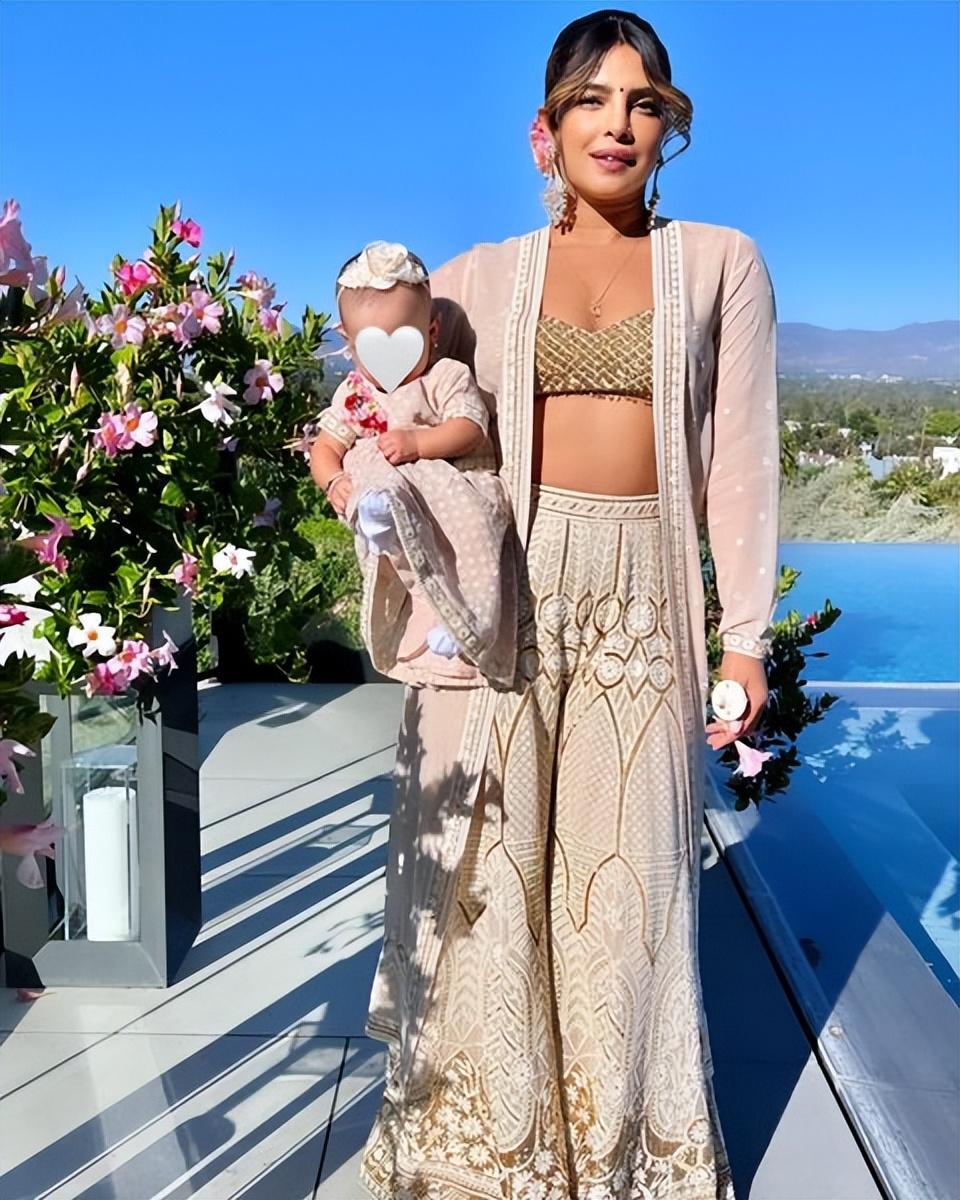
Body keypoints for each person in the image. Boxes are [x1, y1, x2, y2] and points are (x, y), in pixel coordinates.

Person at [360, 9, 779, 1199]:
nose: (619, 123)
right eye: (593, 99)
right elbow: (394, 413)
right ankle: (493, 1160)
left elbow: (742, 461)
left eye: (644, 103)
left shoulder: (723, 262)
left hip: (643, 606)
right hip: (515, 602)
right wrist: (360, 466)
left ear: (667, 127)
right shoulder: (473, 279)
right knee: (496, 890)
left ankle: (625, 1159)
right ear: (543, 129)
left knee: (628, 900)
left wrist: (744, 640)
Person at [309, 241, 518, 690]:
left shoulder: (444, 376)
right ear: (349, 343)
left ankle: (470, 625)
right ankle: (383, 519)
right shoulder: (356, 394)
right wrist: (333, 481)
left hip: (454, 494)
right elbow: (324, 447)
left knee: (474, 547)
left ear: (432, 330)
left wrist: (419, 442)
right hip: (391, 496)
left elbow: (469, 427)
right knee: (406, 561)